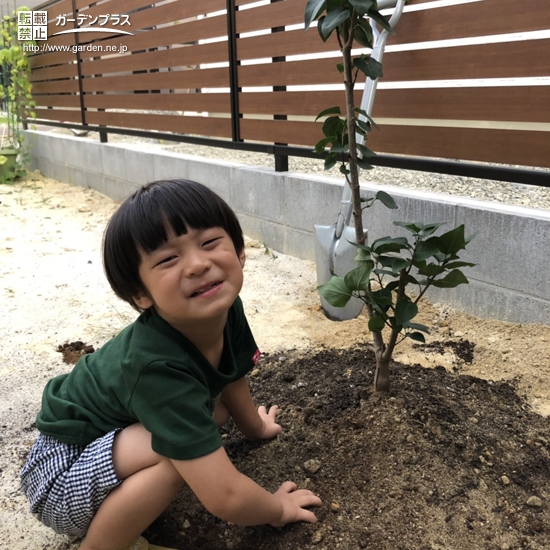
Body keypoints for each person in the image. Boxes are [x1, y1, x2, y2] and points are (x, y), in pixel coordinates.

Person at [20, 179, 322, 550]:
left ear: (241, 251)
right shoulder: (156, 365)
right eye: (167, 259)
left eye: (210, 242)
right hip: (60, 479)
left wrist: (256, 428)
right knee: (179, 457)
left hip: (105, 443)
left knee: (212, 417)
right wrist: (277, 509)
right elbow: (224, 496)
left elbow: (230, 374)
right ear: (141, 295)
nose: (198, 264)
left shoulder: (225, 309)